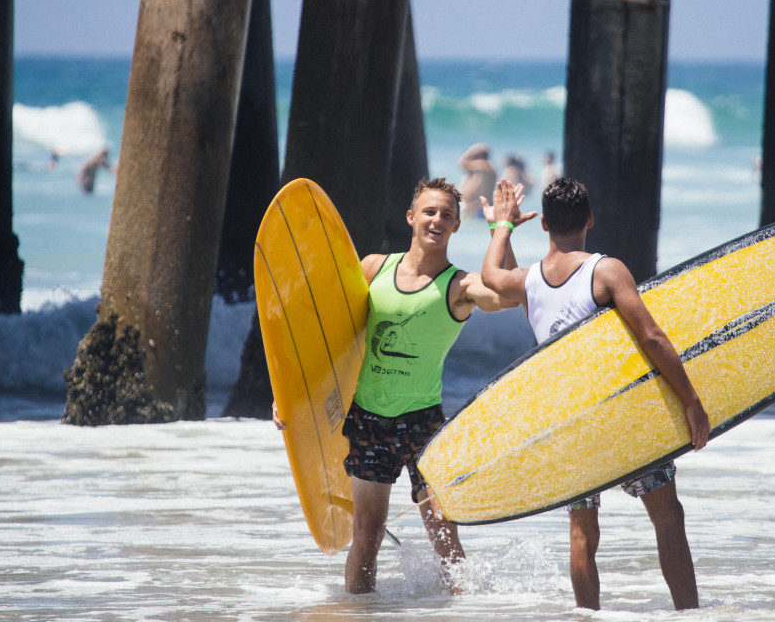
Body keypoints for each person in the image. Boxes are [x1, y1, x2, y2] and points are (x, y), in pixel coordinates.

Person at [275, 177, 520, 594]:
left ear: (457, 226)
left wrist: (503, 228)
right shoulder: (374, 268)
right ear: (411, 217)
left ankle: (465, 611)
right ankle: (358, 615)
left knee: (442, 532)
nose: (437, 220)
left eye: (447, 214)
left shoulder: (459, 287)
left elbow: (509, 295)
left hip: (423, 424)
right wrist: (290, 398)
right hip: (368, 419)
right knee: (367, 537)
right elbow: (324, 338)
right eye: (429, 211)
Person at [480, 177, 711, 611]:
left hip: (568, 425)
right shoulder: (605, 271)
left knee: (583, 533)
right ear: (590, 218)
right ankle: (688, 615)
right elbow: (652, 338)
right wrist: (691, 401)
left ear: (544, 223)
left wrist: (503, 226)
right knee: (667, 517)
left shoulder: (528, 281)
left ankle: (587, 617)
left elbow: (493, 276)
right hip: (620, 419)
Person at [457, 143, 496, 219]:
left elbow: (461, 163)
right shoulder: (481, 170)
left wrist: (470, 150)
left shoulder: (484, 165)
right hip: (476, 208)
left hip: (480, 208)